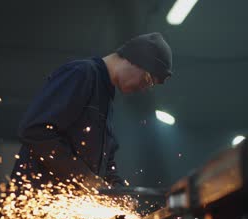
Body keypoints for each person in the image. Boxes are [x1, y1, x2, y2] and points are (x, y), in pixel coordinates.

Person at [11, 32, 173, 190]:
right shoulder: (82, 74)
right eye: (147, 79)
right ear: (134, 60)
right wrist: (86, 180)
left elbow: (104, 164)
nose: (144, 89)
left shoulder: (105, 99)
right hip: (37, 202)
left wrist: (120, 193)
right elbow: (34, 130)